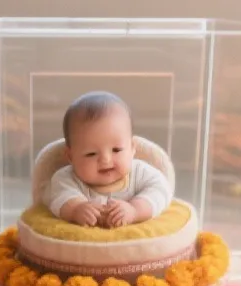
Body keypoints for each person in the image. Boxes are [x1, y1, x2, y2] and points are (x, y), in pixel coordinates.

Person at [46, 92, 171, 229]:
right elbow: (58, 198)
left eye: (116, 150)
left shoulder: (140, 172)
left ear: (132, 149)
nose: (105, 160)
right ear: (71, 157)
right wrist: (76, 209)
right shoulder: (66, 178)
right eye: (91, 154)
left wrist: (134, 210)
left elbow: (161, 190)